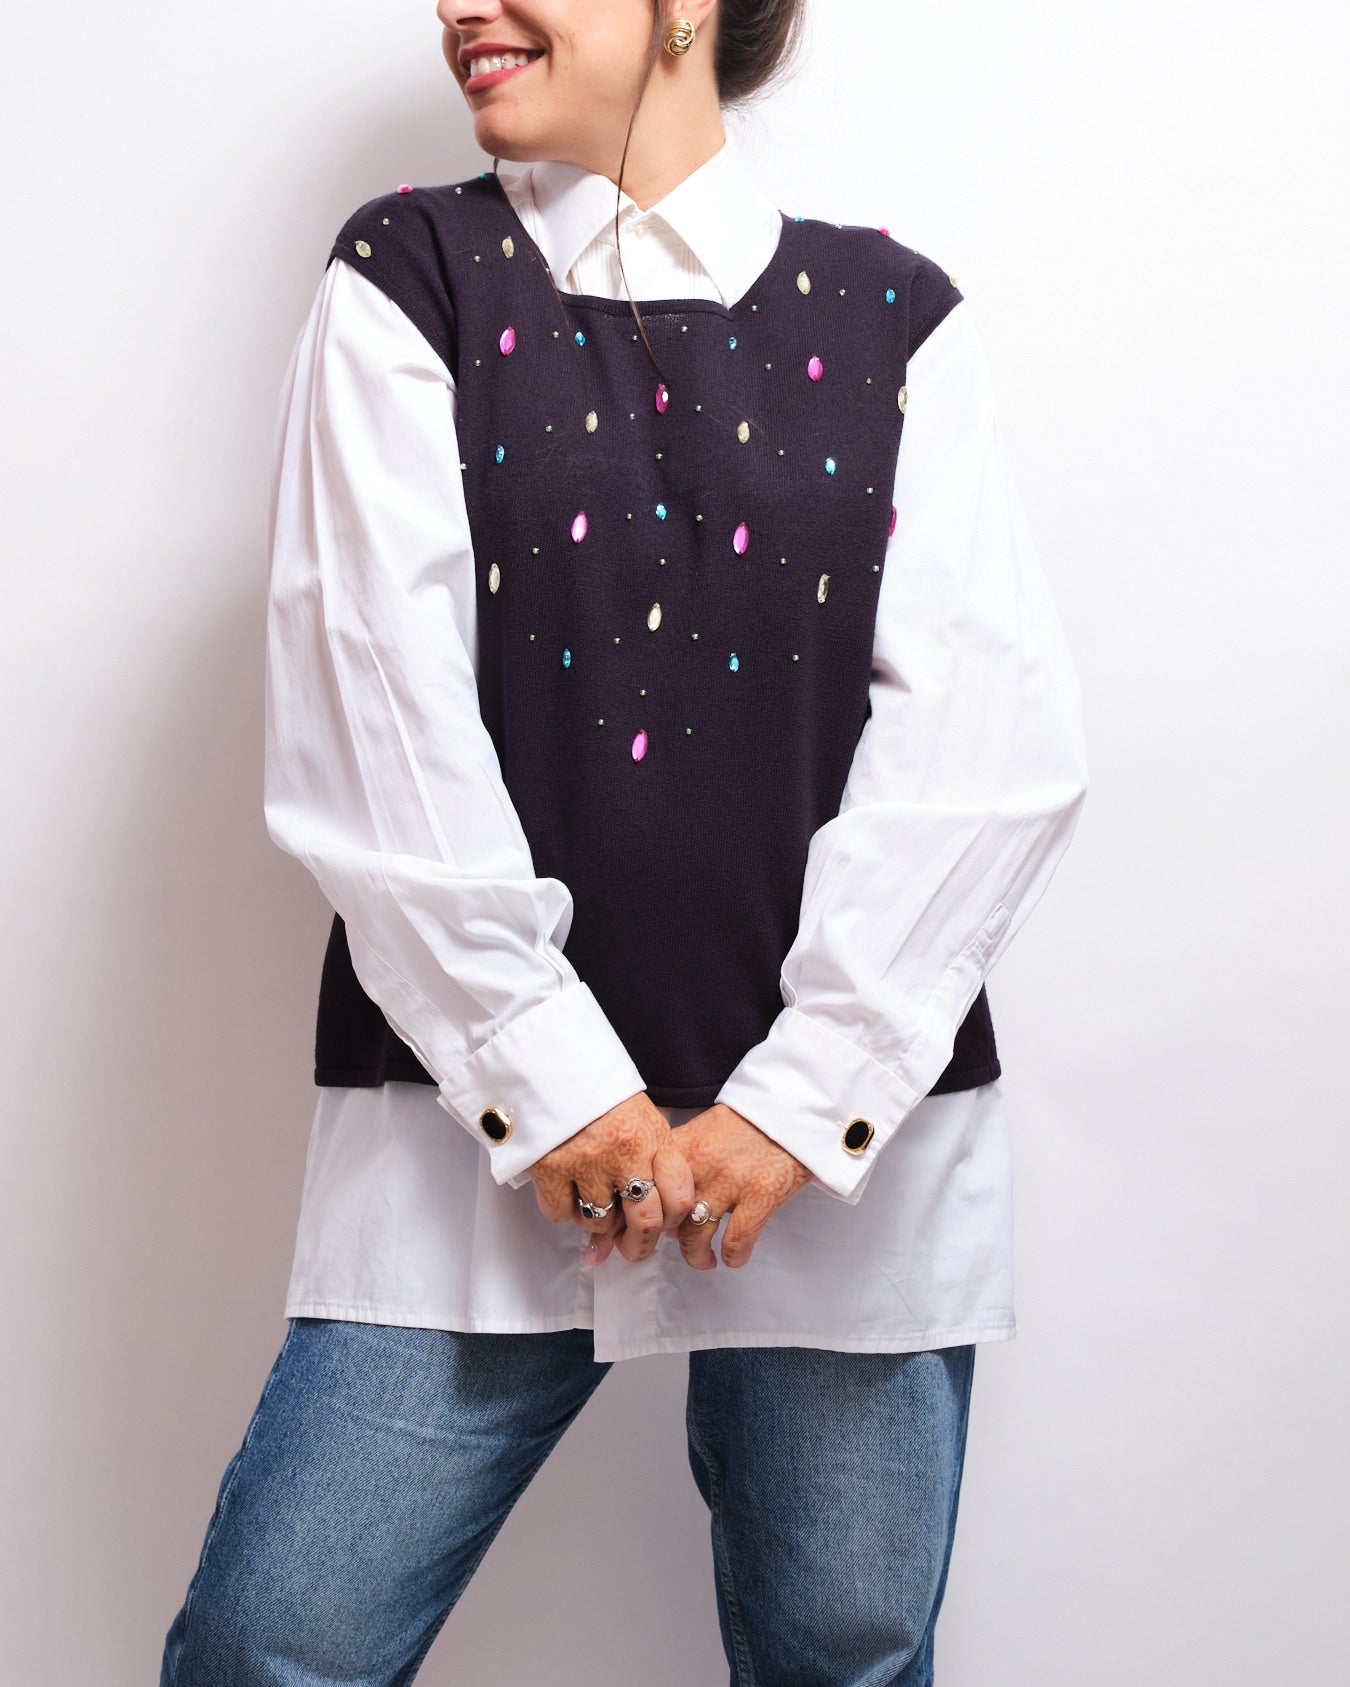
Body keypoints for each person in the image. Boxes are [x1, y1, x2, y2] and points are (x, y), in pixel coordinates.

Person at [159, 2, 1089, 1682]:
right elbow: (370, 701)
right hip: (465, 1132)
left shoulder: (896, 313)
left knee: (843, 1658)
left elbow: (985, 748)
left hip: (841, 1163)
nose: (460, 5)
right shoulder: (411, 277)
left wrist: (801, 1100)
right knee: (273, 1643)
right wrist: (552, 1083)